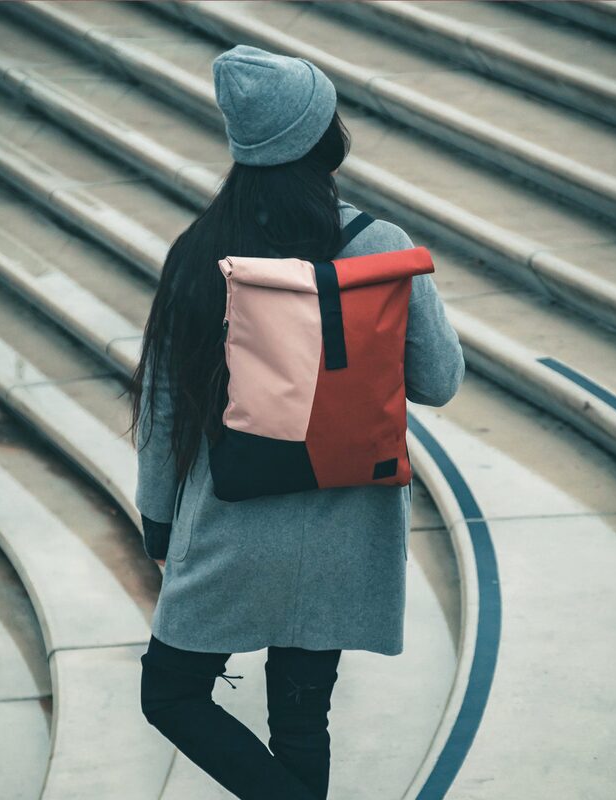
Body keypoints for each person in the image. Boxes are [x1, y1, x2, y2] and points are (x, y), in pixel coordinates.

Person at [128, 44, 465, 800]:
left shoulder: (201, 253)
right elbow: (439, 382)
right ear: (323, 137)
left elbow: (162, 407)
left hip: (234, 525)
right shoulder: (380, 247)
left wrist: (158, 520)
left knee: (171, 694)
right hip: (350, 524)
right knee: (303, 723)